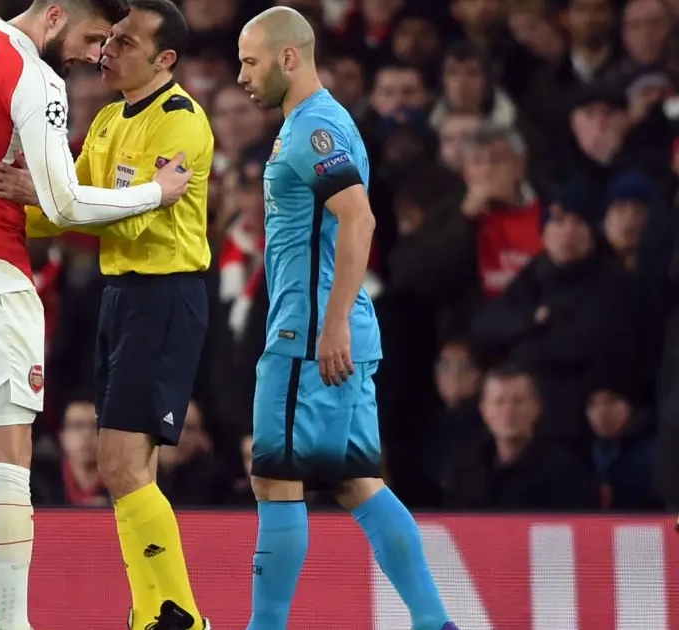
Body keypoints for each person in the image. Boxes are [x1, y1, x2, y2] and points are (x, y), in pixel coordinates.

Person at [0, 0, 193, 626]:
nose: (93, 54)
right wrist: (155, 193)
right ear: (55, 13)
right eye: (92, 36)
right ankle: (10, 622)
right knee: (6, 457)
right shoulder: (36, 76)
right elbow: (64, 203)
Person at [0, 1, 212, 628]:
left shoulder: (181, 122)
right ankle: (151, 612)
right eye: (110, 40)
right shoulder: (107, 119)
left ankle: (181, 614)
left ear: (164, 59)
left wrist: (46, 196)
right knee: (132, 468)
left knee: (119, 463)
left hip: (163, 295)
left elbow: (130, 217)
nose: (108, 51)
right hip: (121, 297)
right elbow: (66, 211)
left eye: (127, 43)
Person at [236, 8, 455, 630]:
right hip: (336, 327)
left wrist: (329, 326)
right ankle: (434, 623)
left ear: (288, 58)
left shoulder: (313, 127)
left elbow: (359, 218)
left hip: (308, 334)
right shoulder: (321, 121)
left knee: (276, 480)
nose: (242, 75)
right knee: (356, 480)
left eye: (250, 62)